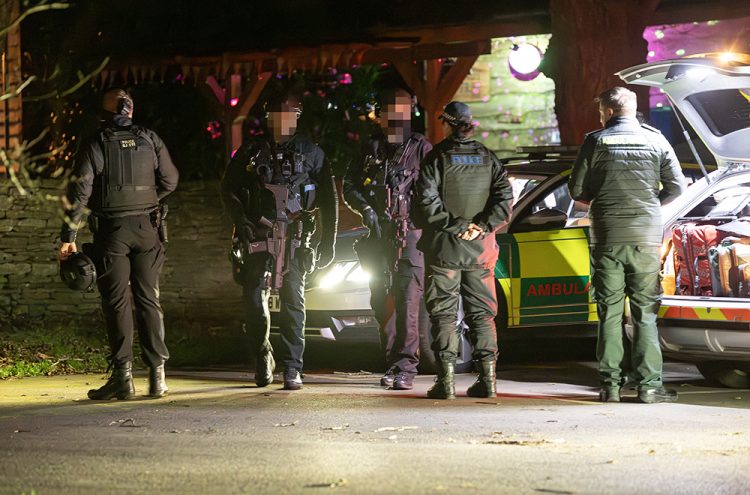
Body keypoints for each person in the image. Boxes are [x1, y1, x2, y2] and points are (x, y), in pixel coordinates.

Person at [59, 88, 179, 400]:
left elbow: (81, 190)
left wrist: (68, 237)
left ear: (105, 110)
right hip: (147, 227)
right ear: (129, 108)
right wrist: (148, 201)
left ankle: (123, 379)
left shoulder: (97, 140)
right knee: (149, 298)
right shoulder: (149, 138)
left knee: (116, 302)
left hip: (112, 231)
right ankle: (158, 378)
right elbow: (170, 180)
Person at [569, 86, 686, 403]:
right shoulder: (656, 139)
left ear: (606, 112)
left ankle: (610, 386)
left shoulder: (595, 141)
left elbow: (577, 191)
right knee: (645, 313)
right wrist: (649, 205)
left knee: (609, 313)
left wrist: (602, 201)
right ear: (632, 110)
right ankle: (649, 387)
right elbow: (678, 187)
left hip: (607, 235)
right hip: (645, 236)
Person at [222, 98, 338, 391]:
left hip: (295, 239)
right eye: (278, 115)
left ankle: (292, 368)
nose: (283, 121)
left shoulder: (311, 153)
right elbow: (228, 188)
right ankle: (263, 355)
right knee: (252, 299)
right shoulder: (251, 151)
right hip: (258, 235)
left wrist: (328, 241)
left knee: (293, 301)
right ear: (269, 118)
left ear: (297, 118)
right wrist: (242, 221)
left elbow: (328, 198)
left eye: (289, 116)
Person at [415, 101, 513, 400]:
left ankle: (445, 383)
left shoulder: (436, 158)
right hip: (480, 250)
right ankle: (489, 381)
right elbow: (505, 200)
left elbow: (427, 201)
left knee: (444, 315)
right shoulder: (489, 158)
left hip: (445, 249)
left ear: (447, 123)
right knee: (482, 315)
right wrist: (481, 226)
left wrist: (456, 226)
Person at [343, 88, 432, 390]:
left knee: (408, 301)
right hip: (378, 236)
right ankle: (391, 362)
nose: (393, 115)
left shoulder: (422, 148)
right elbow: (350, 185)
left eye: (400, 109)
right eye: (388, 110)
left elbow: (434, 192)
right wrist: (365, 209)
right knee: (381, 302)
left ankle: (406, 366)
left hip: (410, 237)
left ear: (410, 112)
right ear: (380, 115)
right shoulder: (371, 148)